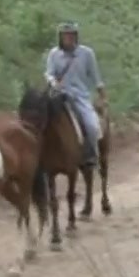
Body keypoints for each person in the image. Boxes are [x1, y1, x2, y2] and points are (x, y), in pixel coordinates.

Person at [44, 21, 106, 168]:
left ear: (76, 37)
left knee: (92, 126)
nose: (68, 38)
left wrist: (102, 95)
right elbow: (49, 73)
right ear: (60, 37)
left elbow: (96, 77)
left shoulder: (87, 53)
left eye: (71, 35)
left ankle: (91, 154)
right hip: (58, 95)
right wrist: (53, 82)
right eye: (65, 35)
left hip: (80, 97)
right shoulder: (54, 54)